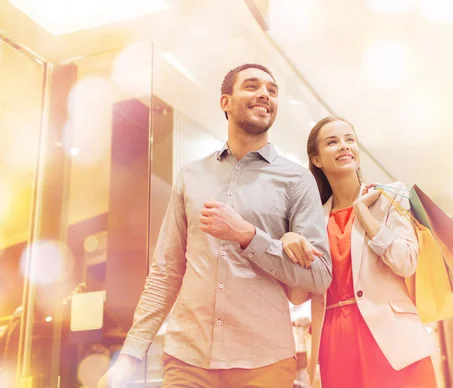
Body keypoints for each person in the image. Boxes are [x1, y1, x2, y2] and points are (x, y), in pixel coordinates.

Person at [98, 64, 332, 388]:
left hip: (264, 362)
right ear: (226, 102)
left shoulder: (297, 180)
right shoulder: (190, 176)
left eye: (272, 90)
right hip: (187, 360)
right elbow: (165, 272)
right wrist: (130, 355)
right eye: (252, 86)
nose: (265, 94)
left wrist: (250, 237)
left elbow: (319, 275)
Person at [284, 117, 438, 388]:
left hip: (393, 338)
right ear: (316, 159)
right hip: (335, 340)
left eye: (349, 139)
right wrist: (289, 243)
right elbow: (298, 296)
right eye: (332, 142)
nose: (344, 146)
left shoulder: (390, 196)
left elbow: (406, 262)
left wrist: (364, 215)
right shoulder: (312, 219)